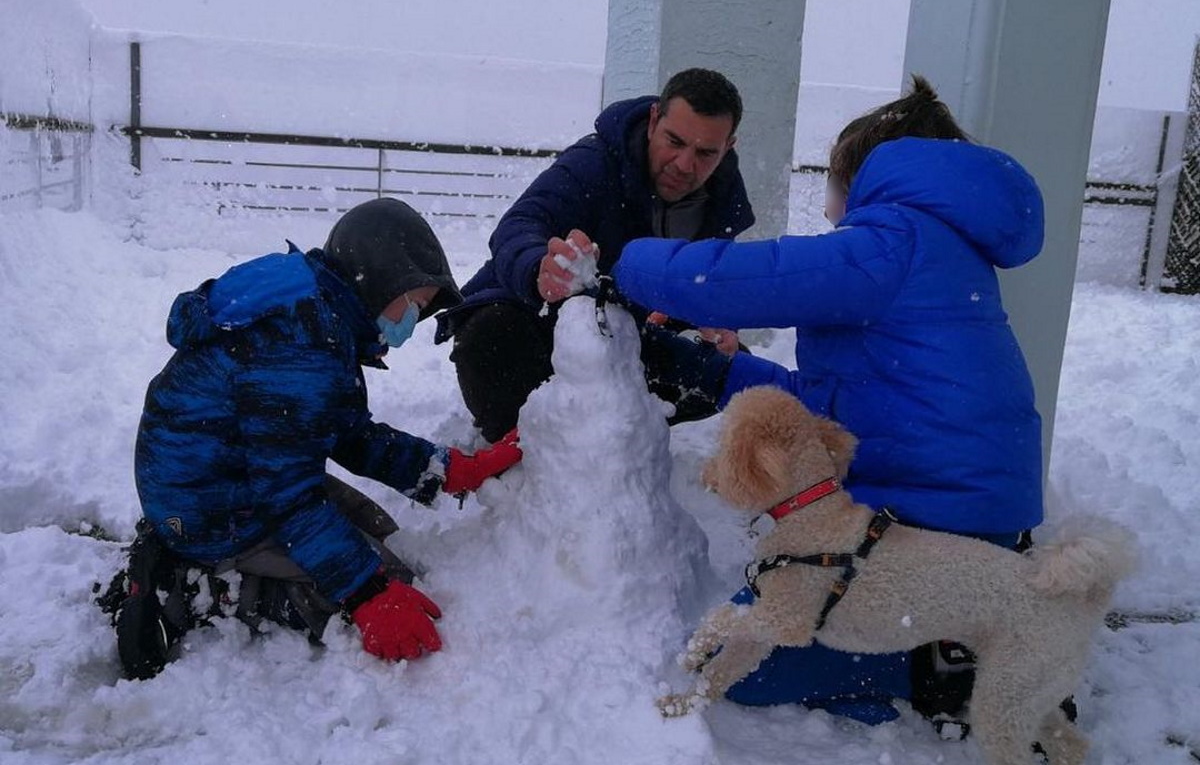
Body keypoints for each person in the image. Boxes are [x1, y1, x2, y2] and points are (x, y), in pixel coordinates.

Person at [610, 76, 1045, 727]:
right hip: (961, 517)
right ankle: (944, 631)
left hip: (938, 531)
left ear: (866, 178)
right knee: (761, 621)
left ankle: (944, 655)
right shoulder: (938, 247)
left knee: (742, 656)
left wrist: (621, 256)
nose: (831, 212)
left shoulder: (893, 238)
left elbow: (736, 283)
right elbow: (833, 408)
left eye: (837, 190)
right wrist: (721, 371)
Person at [103, 197, 523, 680]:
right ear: (384, 277)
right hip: (211, 504)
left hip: (225, 477)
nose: (411, 323)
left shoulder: (319, 316)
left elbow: (348, 435)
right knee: (370, 586)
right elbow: (289, 495)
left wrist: (448, 470)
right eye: (415, 304)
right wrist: (365, 595)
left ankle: (192, 546)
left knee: (375, 530)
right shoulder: (304, 345)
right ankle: (191, 587)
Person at [434, 68, 756, 442]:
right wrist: (539, 267)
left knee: (727, 366)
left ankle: (620, 441)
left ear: (728, 148)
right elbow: (518, 224)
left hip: (627, 343)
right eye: (674, 141)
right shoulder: (594, 162)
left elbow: (703, 296)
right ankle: (527, 454)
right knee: (490, 336)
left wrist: (710, 326)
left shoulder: (722, 207)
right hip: (538, 326)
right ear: (653, 120)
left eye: (704, 153)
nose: (684, 164)